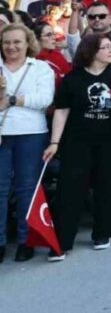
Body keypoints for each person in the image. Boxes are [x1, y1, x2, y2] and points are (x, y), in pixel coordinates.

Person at [46, 34, 111, 258]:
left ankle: (102, 233)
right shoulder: (73, 78)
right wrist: (54, 142)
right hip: (77, 142)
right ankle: (62, 242)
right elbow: (62, 111)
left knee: (108, 186)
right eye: (105, 47)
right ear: (91, 52)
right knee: (70, 190)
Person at [0, 24, 56, 262]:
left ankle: (26, 240)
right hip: (2, 134)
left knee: (27, 188)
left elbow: (45, 99)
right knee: (0, 189)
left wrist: (12, 100)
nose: (11, 46)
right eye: (6, 42)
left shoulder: (40, 68)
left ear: (28, 43)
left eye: (17, 42)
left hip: (31, 133)